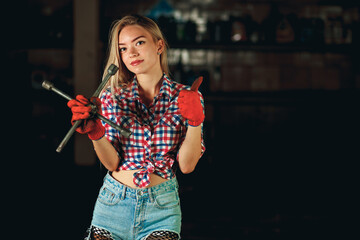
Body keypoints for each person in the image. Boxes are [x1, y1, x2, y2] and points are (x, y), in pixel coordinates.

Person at [68, 14, 205, 240]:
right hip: (113, 203)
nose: (131, 53)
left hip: (162, 207)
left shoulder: (187, 97)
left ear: (159, 45)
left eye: (139, 42)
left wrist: (195, 122)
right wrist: (96, 133)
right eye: (123, 48)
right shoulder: (112, 97)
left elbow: (187, 166)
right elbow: (112, 163)